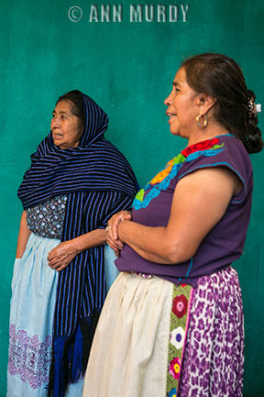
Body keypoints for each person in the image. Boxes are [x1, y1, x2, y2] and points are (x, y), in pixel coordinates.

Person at [82, 53, 263, 397]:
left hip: (177, 308)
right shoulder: (198, 155)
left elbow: (175, 247)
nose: (167, 99)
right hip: (154, 303)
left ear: (204, 102)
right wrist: (129, 217)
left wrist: (122, 229)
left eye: (176, 89)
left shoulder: (216, 162)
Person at [7, 90, 138, 397]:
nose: (55, 123)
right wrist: (19, 263)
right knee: (33, 341)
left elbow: (124, 221)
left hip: (76, 267)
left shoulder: (107, 164)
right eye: (54, 116)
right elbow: (27, 211)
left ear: (86, 123)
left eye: (64, 116)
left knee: (72, 350)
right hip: (35, 266)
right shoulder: (45, 158)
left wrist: (74, 246)